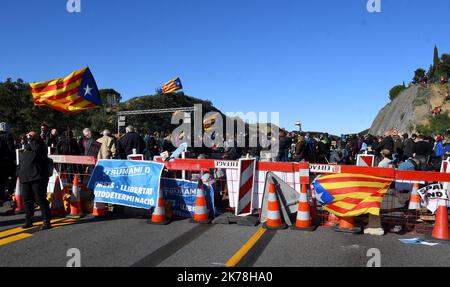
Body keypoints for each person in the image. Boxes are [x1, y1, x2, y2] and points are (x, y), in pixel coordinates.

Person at [18, 131, 52, 230]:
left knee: (40, 199)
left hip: (37, 177)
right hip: (25, 177)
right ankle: (29, 220)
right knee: (27, 200)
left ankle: (46, 221)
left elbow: (36, 149)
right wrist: (18, 171)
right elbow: (22, 161)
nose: (29, 137)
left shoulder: (40, 145)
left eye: (31, 135)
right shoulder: (27, 147)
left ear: (36, 137)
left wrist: (33, 138)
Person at [0, 122, 15, 207]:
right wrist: (14, 159)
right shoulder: (8, 136)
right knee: (8, 179)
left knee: (1, 181)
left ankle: (1, 197)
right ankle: (8, 195)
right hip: (6, 162)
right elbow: (11, 148)